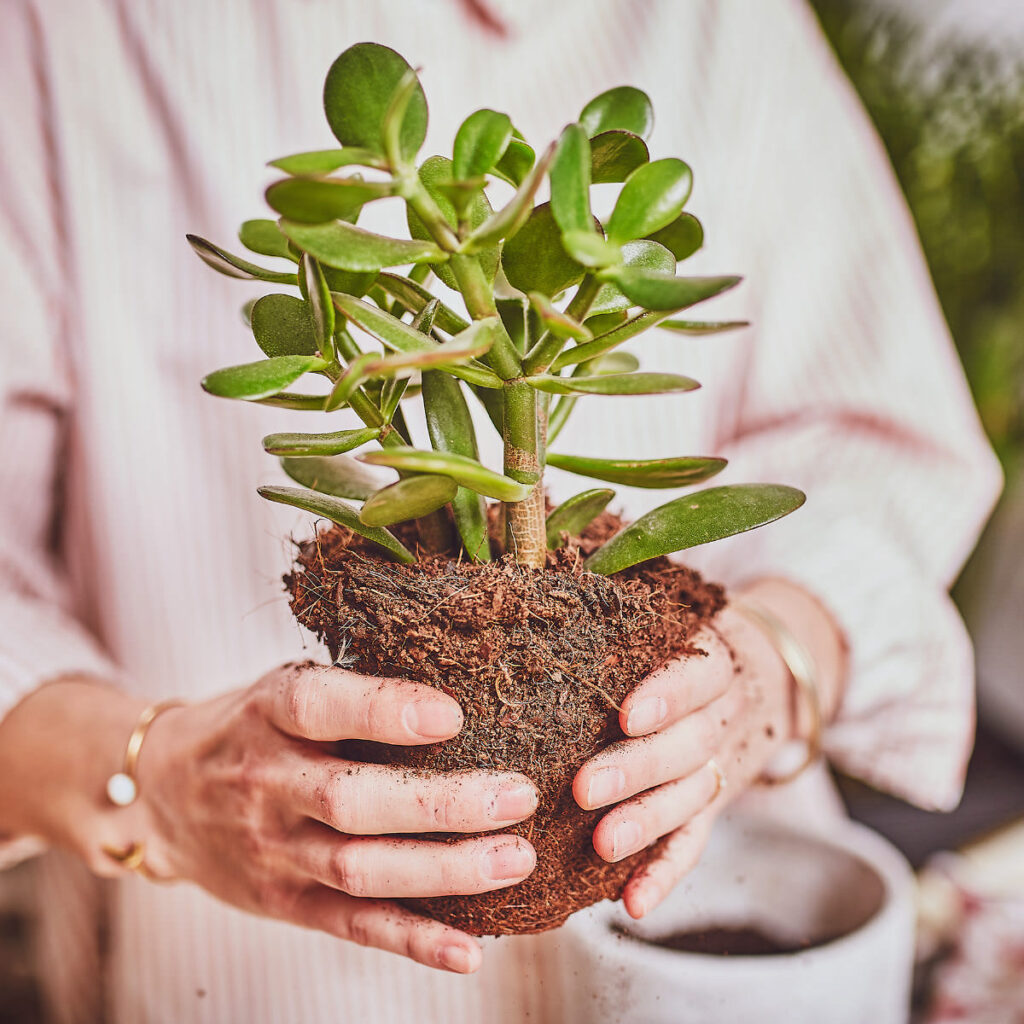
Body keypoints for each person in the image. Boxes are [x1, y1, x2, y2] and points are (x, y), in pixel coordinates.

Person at [0, 0, 1002, 1021]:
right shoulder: (70, 28)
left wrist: (777, 655)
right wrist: (152, 780)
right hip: (247, 978)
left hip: (695, 957)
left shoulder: (724, 23)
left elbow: (884, 448)